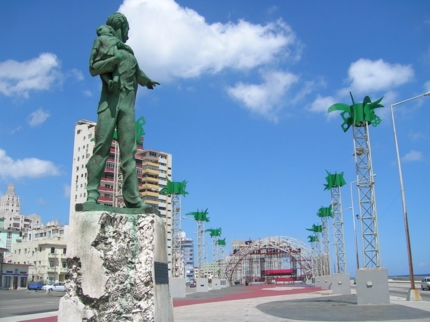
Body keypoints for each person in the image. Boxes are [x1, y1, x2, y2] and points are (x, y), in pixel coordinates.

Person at [85, 12, 159, 209]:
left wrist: (146, 80)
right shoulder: (109, 46)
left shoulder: (129, 54)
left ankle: (132, 198)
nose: (127, 34)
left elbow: (137, 72)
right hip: (108, 105)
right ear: (122, 28)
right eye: (127, 30)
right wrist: (114, 58)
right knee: (101, 147)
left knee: (129, 153)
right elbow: (94, 68)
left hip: (128, 108)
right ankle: (92, 193)